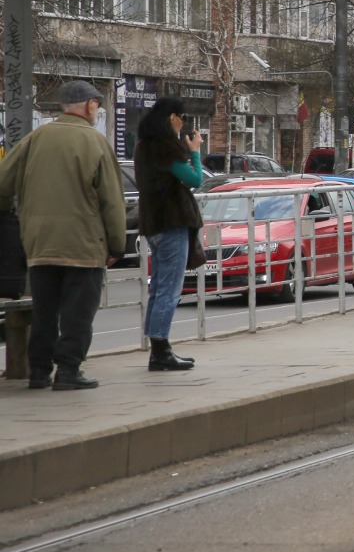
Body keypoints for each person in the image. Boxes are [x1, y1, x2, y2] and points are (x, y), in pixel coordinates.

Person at [0, 81, 126, 390]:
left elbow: (3, 184)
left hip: (40, 244)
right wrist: (117, 244)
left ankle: (39, 371)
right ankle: (69, 371)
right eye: (96, 104)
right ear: (89, 106)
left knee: (44, 310)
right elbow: (112, 200)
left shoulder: (35, 138)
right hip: (84, 246)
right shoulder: (95, 143)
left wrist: (18, 220)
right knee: (77, 313)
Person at [134, 98, 202, 372]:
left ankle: (158, 349)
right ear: (172, 117)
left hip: (153, 224)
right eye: (182, 117)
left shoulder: (142, 147)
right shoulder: (165, 148)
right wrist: (194, 151)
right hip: (172, 223)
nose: (184, 122)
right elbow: (195, 179)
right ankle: (161, 350)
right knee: (170, 290)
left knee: (159, 287)